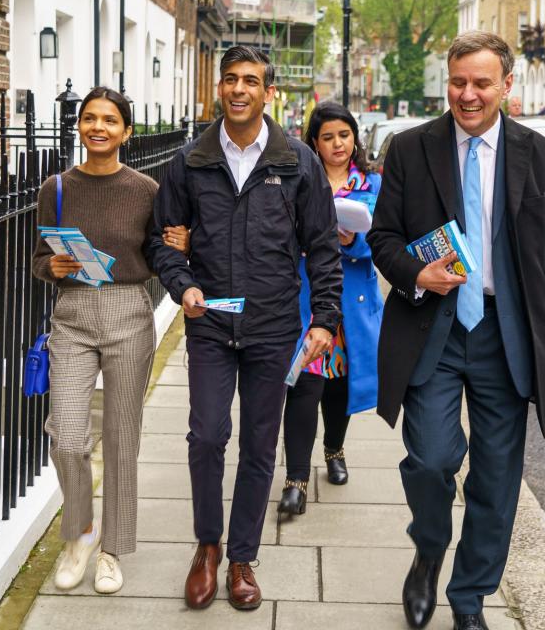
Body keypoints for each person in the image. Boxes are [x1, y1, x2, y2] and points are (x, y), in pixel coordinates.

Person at [367, 31, 545, 630]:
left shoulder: (536, 155)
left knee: (497, 478)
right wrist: (418, 272)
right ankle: (428, 551)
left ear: (507, 85)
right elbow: (382, 238)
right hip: (433, 330)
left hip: (507, 332)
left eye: (481, 83)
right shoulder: (411, 148)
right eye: (458, 81)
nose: (468, 95)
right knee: (433, 459)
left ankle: (469, 598)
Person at [149, 45, 342, 611]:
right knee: (207, 436)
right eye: (230, 79)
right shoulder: (187, 162)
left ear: (267, 91)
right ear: (219, 88)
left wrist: (325, 318)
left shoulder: (297, 161)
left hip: (274, 326)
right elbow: (164, 241)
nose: (238, 89)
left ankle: (241, 558)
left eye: (250, 81)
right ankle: (207, 546)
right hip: (209, 322)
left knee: (260, 444)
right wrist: (181, 283)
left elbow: (323, 247)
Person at [31, 87, 157, 595]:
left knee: (122, 440)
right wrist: (51, 266)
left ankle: (111, 550)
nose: (97, 127)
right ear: (79, 127)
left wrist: (182, 244)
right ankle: (79, 531)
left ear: (127, 131)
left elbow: (162, 254)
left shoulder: (147, 190)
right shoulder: (56, 187)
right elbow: (39, 257)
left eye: (109, 120)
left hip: (129, 311)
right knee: (66, 436)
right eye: (89, 118)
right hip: (74, 315)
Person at [276, 101, 384, 516]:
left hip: (351, 302)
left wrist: (349, 240)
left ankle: (334, 450)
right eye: (328, 137)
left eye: (344, 135)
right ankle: (296, 479)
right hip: (306, 299)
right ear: (315, 143)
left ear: (354, 137)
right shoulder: (302, 177)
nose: (338, 143)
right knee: (304, 387)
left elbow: (382, 238)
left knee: (340, 386)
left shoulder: (371, 183)